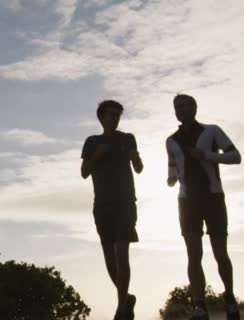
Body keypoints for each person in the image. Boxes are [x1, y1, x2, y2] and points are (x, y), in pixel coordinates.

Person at [165, 94, 242, 320]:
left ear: (195, 107)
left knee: (220, 253)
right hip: (187, 202)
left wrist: (207, 155)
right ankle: (200, 306)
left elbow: (235, 156)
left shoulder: (212, 131)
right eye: (176, 107)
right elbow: (171, 166)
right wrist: (170, 179)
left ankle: (229, 298)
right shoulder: (171, 140)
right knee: (193, 255)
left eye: (184, 105)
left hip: (213, 197)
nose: (179, 109)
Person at [81, 100, 143, 320]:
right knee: (109, 259)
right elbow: (84, 172)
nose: (115, 118)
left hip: (125, 203)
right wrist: (98, 154)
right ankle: (126, 299)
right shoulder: (92, 141)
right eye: (111, 114)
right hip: (102, 205)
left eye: (118, 115)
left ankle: (120, 310)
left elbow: (139, 168)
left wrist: (135, 157)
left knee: (122, 255)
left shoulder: (127, 139)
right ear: (101, 117)